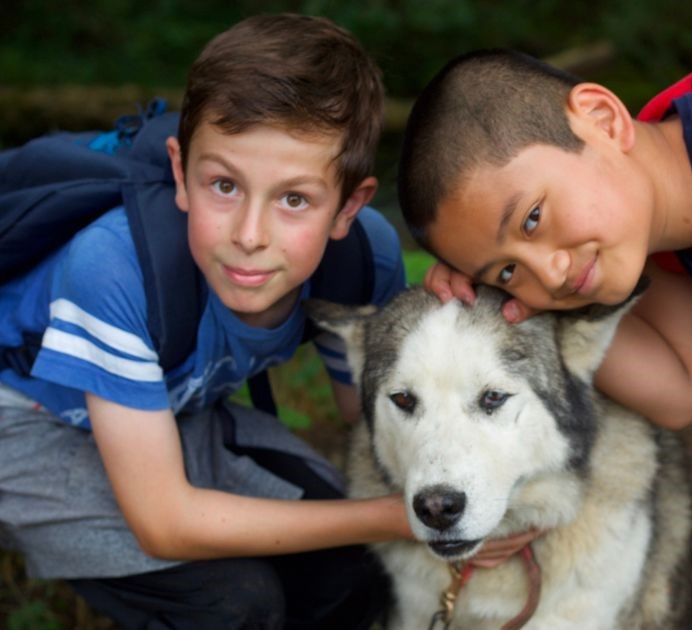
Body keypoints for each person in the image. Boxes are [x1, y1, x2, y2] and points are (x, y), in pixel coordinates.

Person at [397, 46, 692, 628]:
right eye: (507, 270)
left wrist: (504, 276)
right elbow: (681, 391)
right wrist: (501, 305)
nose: (549, 273)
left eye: (532, 218)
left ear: (603, 120)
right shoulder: (664, 241)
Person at [0, 14, 407, 629]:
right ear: (181, 171)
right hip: (28, 422)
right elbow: (165, 523)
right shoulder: (113, 267)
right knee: (233, 602)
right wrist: (397, 519)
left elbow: (376, 436)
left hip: (171, 414)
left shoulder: (362, 262)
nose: (250, 235)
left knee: (353, 570)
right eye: (223, 185)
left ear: (349, 206)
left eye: (294, 199)